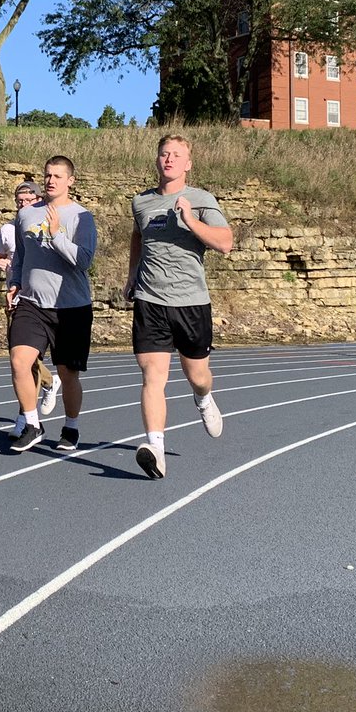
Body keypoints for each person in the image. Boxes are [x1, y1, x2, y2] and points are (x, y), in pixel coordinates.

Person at [124, 134, 233, 479]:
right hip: (150, 300)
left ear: (188, 164)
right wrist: (131, 276)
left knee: (197, 376)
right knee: (152, 376)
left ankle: (203, 399)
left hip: (191, 303)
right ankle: (155, 447)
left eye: (176, 155)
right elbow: (138, 235)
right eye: (164, 154)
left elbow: (226, 243)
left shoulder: (200, 199)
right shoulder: (141, 203)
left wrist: (192, 221)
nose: (169, 159)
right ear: (157, 160)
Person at [5, 156, 97, 452]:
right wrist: (14, 283)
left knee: (68, 374)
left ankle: (71, 426)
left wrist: (56, 233)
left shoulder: (82, 217)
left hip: (71, 307)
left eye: (58, 176)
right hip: (32, 303)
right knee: (20, 361)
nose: (51, 180)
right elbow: (20, 255)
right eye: (47, 175)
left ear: (71, 180)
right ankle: (32, 424)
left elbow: (83, 261)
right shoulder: (26, 215)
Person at [0, 180, 59, 434]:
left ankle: (27, 417)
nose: (23, 205)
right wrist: (0, 264)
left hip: (42, 300)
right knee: (20, 360)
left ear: (39, 199)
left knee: (27, 360)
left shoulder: (46, 223)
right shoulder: (8, 229)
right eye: (19, 202)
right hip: (15, 297)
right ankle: (40, 396)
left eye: (28, 201)